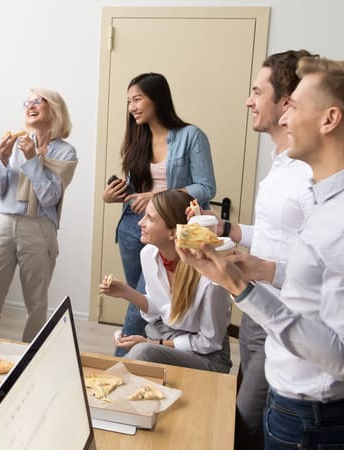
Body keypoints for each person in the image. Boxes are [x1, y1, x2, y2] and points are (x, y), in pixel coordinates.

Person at [178, 57, 344, 449]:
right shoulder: (332, 198)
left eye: (295, 107)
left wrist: (240, 287)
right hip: (297, 402)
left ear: (329, 119)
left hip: (314, 418)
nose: (284, 120)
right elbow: (319, 281)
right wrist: (254, 268)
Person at [187, 50, 316, 450]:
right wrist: (227, 229)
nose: (249, 101)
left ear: (286, 102)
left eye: (257, 92)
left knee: (240, 424)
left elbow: (322, 262)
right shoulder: (281, 163)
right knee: (250, 418)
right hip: (257, 310)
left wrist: (259, 268)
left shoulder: (312, 172)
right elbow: (279, 234)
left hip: (288, 319)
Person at [102, 73, 216, 356]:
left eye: (138, 99)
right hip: (133, 226)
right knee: (144, 302)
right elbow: (133, 188)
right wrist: (109, 195)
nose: (132, 106)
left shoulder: (191, 136)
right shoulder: (137, 138)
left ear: (158, 99)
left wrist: (155, 197)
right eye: (129, 101)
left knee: (139, 306)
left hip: (171, 229)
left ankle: (126, 363)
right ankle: (156, 357)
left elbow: (206, 187)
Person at [0, 88, 78, 342]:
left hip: (39, 228)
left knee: (36, 305)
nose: (29, 106)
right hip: (3, 223)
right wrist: (2, 159)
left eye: (37, 101)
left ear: (54, 109)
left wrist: (32, 160)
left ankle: (29, 362)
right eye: (26, 102)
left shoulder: (66, 153)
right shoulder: (15, 143)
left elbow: (50, 198)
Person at [100, 189, 231, 373]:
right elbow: (158, 310)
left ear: (173, 233)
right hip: (168, 336)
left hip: (207, 356)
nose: (140, 223)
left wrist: (153, 343)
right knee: (142, 350)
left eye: (150, 219)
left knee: (142, 352)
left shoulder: (209, 278)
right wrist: (126, 292)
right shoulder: (149, 255)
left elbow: (209, 342)